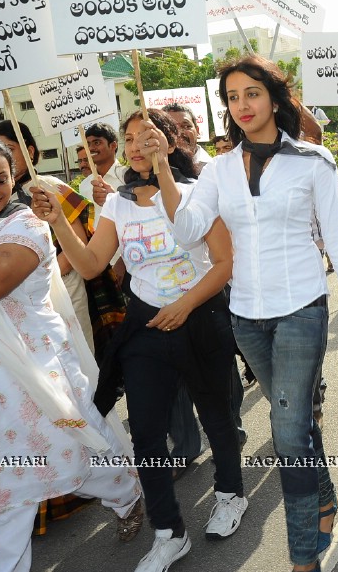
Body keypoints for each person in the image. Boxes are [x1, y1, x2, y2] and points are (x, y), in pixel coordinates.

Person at [145, 54, 338, 572]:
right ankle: (324, 500)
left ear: (274, 98)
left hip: (301, 308)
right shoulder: (220, 170)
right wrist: (163, 167)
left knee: (287, 428)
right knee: (293, 421)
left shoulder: (313, 162)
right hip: (246, 319)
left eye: (251, 93)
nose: (242, 105)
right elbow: (188, 231)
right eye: (232, 97)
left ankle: (303, 558)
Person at [33, 108, 248, 569]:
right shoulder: (117, 203)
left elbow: (225, 262)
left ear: (168, 143)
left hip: (200, 319)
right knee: (147, 433)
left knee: (217, 416)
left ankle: (230, 493)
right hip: (147, 328)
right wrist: (58, 224)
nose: (135, 145)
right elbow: (92, 265)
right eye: (129, 138)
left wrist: (185, 305)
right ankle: (169, 532)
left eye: (146, 135)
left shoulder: (198, 193)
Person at [0, 133, 142, 571]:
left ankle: (126, 493)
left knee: (74, 450)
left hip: (29, 378)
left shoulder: (24, 225)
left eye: (0, 179)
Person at [0, 119, 97, 351]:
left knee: (75, 360)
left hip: (63, 289)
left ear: (29, 151)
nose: (1, 156)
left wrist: (44, 277)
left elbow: (78, 245)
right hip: (14, 297)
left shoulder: (49, 187)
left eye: (9, 148)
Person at [79, 122, 127, 221]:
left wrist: (112, 200)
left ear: (113, 146)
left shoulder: (128, 177)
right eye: (88, 144)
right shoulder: (84, 185)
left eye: (97, 143)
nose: (91, 148)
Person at [164, 103, 213, 168]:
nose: (179, 132)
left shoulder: (215, 168)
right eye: (171, 127)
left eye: (186, 126)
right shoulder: (152, 169)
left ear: (197, 131)